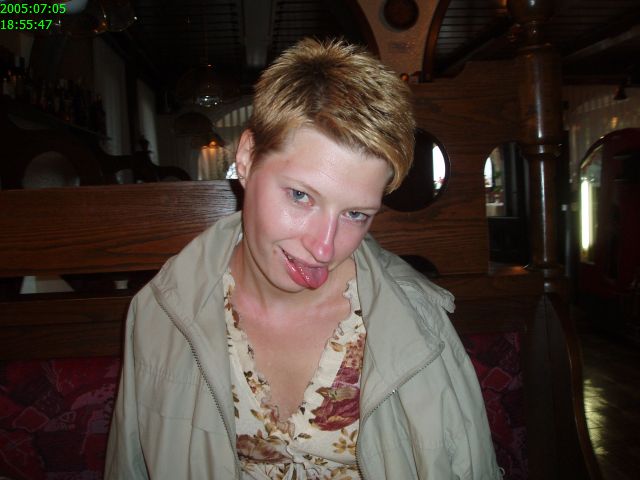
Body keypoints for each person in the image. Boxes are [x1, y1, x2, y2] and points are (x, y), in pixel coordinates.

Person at [105, 38, 501, 479]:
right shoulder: (158, 314)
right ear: (247, 157)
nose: (324, 248)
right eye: (300, 196)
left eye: (355, 214)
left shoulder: (421, 324)